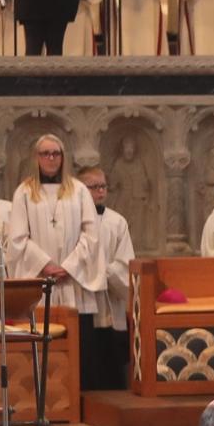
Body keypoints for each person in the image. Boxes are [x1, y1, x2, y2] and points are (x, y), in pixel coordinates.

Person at [3, 134, 104, 349]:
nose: (51, 158)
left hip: (73, 280)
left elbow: (91, 234)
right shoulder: (24, 192)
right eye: (45, 153)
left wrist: (68, 266)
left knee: (76, 348)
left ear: (63, 157)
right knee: (39, 347)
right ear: (36, 158)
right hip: (39, 279)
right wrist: (45, 265)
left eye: (56, 153)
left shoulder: (78, 191)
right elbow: (18, 237)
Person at [78, 167, 134, 390]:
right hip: (82, 301)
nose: (100, 191)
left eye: (103, 186)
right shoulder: (73, 221)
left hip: (109, 303)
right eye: (94, 187)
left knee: (111, 367)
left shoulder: (117, 222)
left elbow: (125, 265)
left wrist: (102, 272)